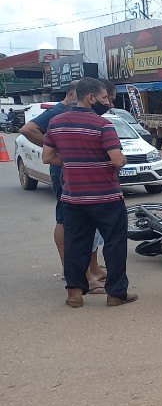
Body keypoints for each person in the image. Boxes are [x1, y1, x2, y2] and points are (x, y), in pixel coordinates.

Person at [41, 77, 136, 308]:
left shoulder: (56, 122)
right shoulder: (103, 125)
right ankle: (115, 294)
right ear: (90, 97)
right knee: (114, 244)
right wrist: (116, 160)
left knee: (75, 244)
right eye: (104, 98)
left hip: (73, 197)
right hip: (106, 197)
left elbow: (47, 157)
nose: (108, 103)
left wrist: (72, 163)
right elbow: (118, 160)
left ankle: (74, 293)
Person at [19, 80, 108, 289]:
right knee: (69, 222)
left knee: (85, 222)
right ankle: (76, 274)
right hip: (65, 175)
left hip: (76, 176)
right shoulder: (59, 112)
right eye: (102, 97)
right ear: (82, 95)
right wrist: (58, 151)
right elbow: (28, 129)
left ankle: (91, 269)